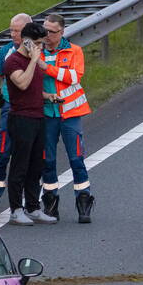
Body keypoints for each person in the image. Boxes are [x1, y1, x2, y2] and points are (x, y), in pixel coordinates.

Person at [39, 14, 95, 224]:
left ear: (62, 32)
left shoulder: (74, 51)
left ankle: (83, 201)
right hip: (47, 115)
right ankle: (51, 203)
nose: (47, 35)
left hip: (70, 115)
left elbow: (73, 77)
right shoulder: (37, 51)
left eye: (52, 31)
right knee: (48, 160)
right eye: (44, 30)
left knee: (76, 159)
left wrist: (46, 68)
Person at [4, 22, 57, 226]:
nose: (40, 48)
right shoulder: (13, 62)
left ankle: (33, 207)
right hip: (21, 119)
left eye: (41, 44)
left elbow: (32, 89)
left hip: (38, 116)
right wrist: (34, 60)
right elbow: (22, 83)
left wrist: (46, 96)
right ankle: (16, 209)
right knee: (20, 165)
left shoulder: (34, 59)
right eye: (36, 44)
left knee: (36, 165)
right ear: (25, 41)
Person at [0, 13, 30, 219]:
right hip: (9, 110)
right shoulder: (4, 52)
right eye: (11, 30)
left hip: (32, 112)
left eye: (17, 31)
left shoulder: (39, 52)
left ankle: (28, 201)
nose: (12, 34)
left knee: (29, 157)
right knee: (1, 153)